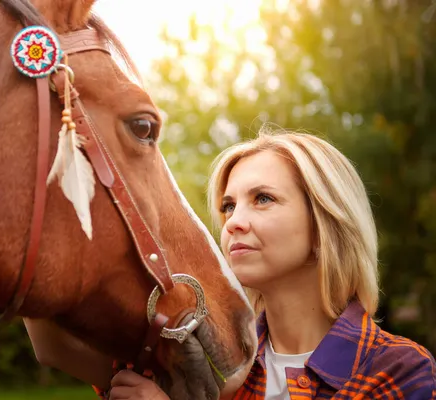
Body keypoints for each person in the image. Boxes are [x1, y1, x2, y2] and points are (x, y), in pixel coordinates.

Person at [25, 129, 436, 399]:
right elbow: (54, 346)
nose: (233, 222)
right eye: (227, 206)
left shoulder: (398, 369)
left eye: (263, 199)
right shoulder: (210, 355)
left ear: (324, 224)